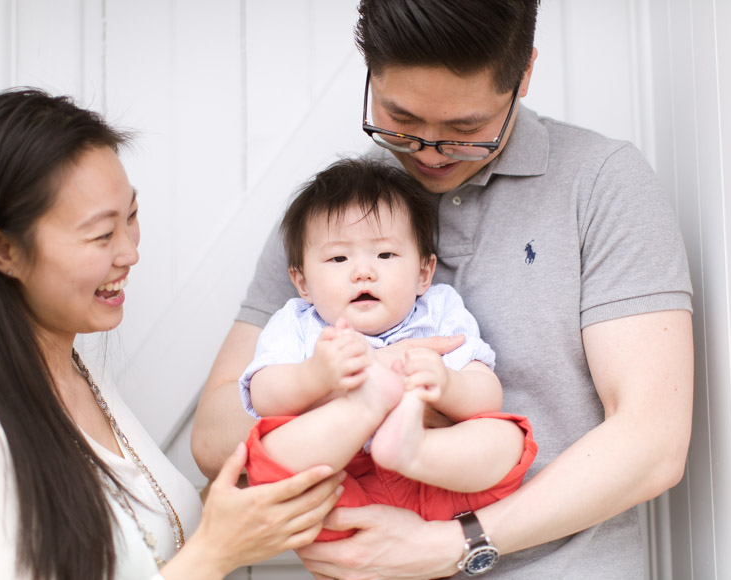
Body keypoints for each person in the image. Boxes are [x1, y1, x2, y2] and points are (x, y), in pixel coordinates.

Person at [192, 0, 694, 578]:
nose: (427, 151)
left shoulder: (602, 183)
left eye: (465, 130)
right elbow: (213, 437)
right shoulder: (335, 219)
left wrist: (455, 542)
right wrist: (360, 388)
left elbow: (653, 441)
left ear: (524, 74)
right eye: (399, 118)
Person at [0, 89, 344, 580]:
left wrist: (235, 503)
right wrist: (216, 552)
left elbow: (141, 545)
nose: (129, 252)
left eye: (131, 217)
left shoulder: (83, 378)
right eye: (101, 234)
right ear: (3, 251)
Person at [240, 159, 537, 542]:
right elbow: (265, 397)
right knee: (268, 455)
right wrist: (314, 375)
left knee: (506, 436)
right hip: (344, 487)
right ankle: (366, 405)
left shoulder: (439, 310)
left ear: (423, 274)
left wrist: (448, 385)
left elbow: (486, 393)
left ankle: (410, 450)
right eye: (338, 258)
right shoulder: (297, 324)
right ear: (303, 283)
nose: (363, 272)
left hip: (438, 480)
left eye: (384, 255)